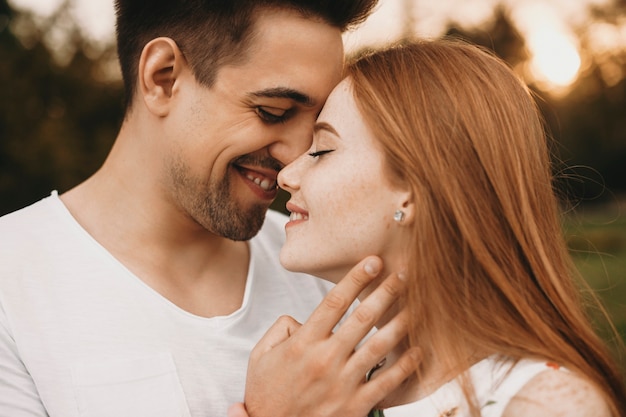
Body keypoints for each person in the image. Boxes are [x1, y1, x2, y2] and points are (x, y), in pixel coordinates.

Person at [0, 1, 419, 416]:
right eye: (273, 112)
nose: (297, 156)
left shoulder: (334, 271)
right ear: (161, 77)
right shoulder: (12, 281)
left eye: (318, 127)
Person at [233, 40, 626, 417]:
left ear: (414, 190)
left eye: (320, 150)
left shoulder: (546, 405)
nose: (287, 174)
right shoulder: (327, 385)